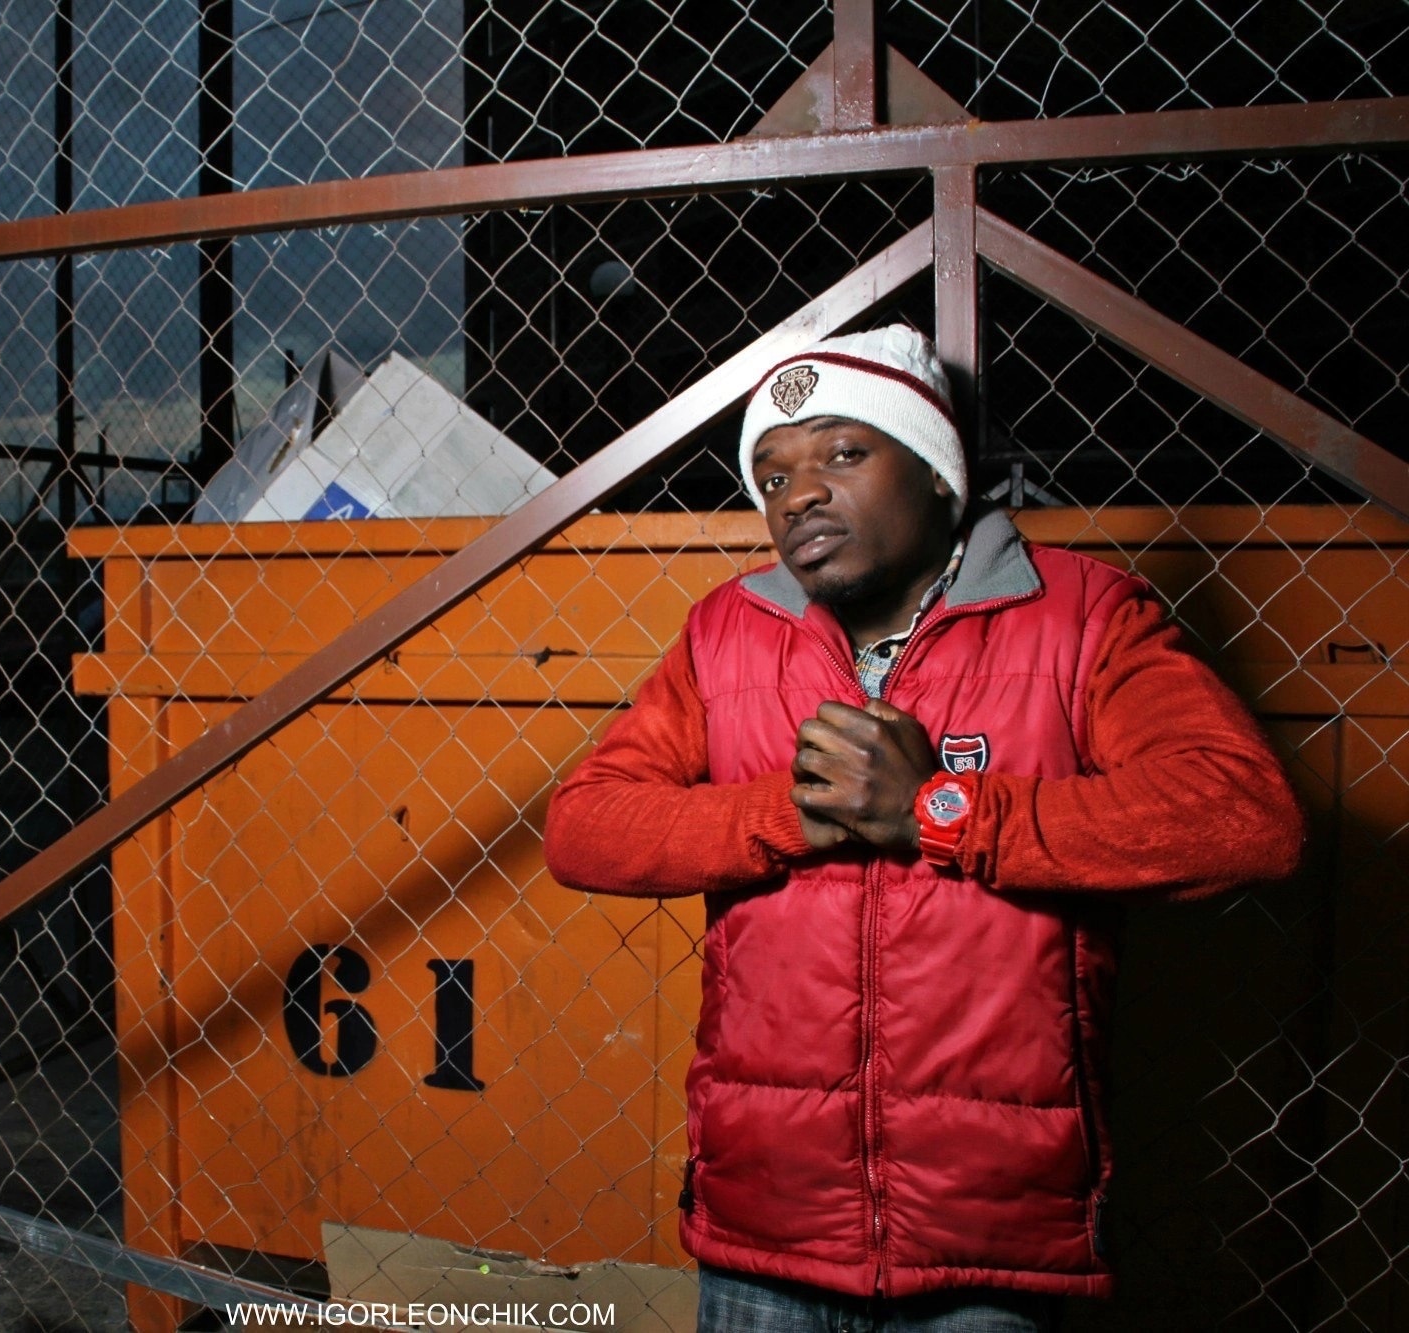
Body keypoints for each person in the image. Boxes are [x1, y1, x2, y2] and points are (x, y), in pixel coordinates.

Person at [541, 325, 1304, 1332]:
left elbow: (1241, 817)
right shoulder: (729, 629)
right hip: (767, 1218)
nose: (798, 495)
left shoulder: (1080, 616)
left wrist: (938, 811)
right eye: (772, 477)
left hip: (990, 1237)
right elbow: (584, 827)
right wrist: (790, 813)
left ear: (939, 472)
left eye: (842, 452)